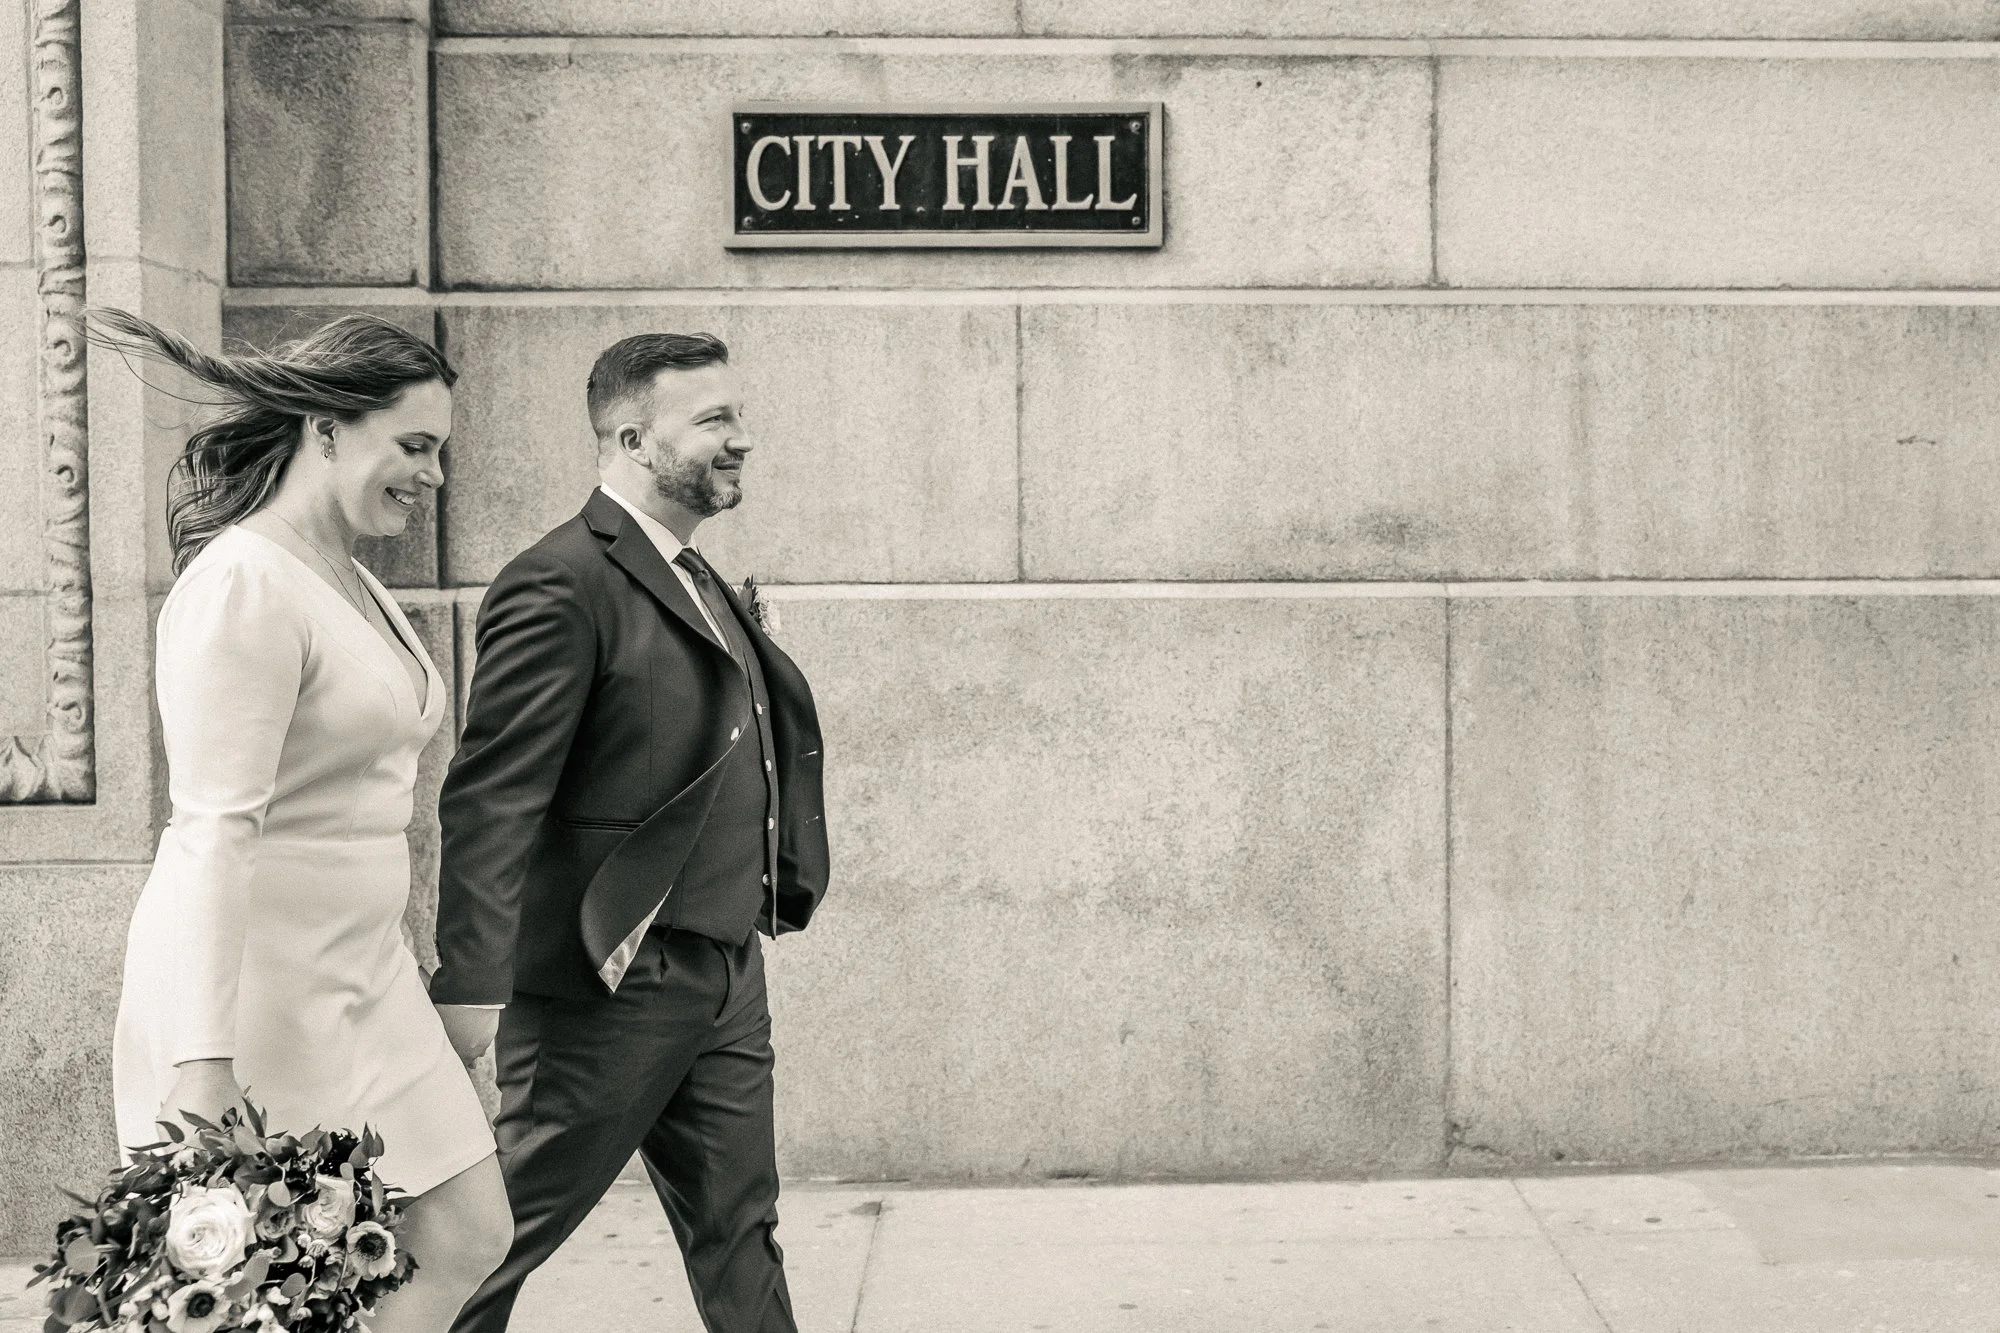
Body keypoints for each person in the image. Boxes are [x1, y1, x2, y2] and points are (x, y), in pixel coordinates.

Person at [98, 310, 515, 1333]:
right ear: (323, 428)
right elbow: (210, 834)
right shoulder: (243, 582)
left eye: (439, 450)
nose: (432, 475)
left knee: (466, 1231)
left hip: (364, 978)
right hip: (259, 992)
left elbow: (371, 808)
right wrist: (203, 1065)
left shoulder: (355, 577)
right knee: (273, 1297)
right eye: (412, 445)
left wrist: (411, 953)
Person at [429, 332, 831, 1333]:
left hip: (726, 971)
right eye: (713, 420)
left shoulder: (694, 575)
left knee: (740, 1231)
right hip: (609, 983)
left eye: (738, 416)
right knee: (491, 1238)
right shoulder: (559, 581)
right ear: (630, 437)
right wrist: (472, 982)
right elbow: (491, 796)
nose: (742, 440)